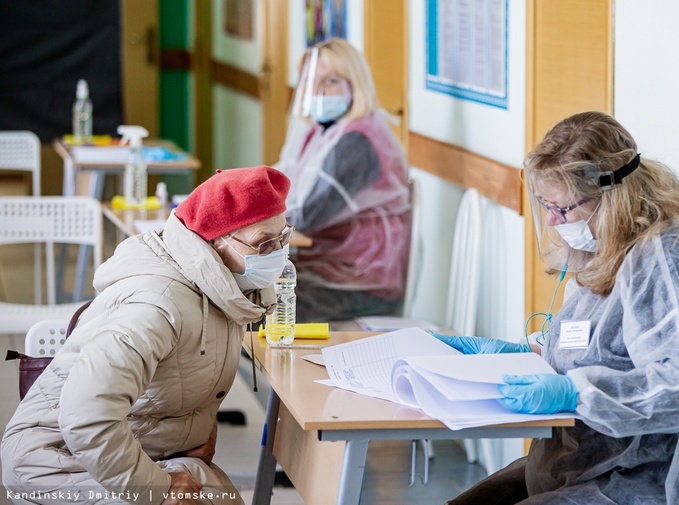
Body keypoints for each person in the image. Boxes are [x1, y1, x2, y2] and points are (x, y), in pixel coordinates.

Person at [435, 111, 679, 504]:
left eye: (562, 209)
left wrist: (575, 393)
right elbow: (609, 346)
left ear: (611, 196)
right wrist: (531, 354)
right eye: (545, 205)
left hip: (670, 479)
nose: (552, 219)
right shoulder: (611, 244)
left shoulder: (674, 257)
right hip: (607, 463)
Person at [2, 166, 293, 504]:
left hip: (130, 440)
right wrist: (160, 488)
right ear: (215, 241)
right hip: (53, 460)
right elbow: (87, 416)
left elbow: (184, 376)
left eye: (282, 237)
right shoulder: (156, 307)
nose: (277, 254)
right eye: (263, 244)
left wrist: (197, 430)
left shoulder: (224, 285)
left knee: (215, 491)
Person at [275, 37, 411, 322]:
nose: (318, 91)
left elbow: (306, 215)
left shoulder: (357, 142)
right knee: (242, 296)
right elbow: (281, 185)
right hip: (327, 268)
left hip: (360, 283)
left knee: (252, 308)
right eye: (311, 81)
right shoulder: (323, 131)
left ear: (354, 84)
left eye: (331, 81)